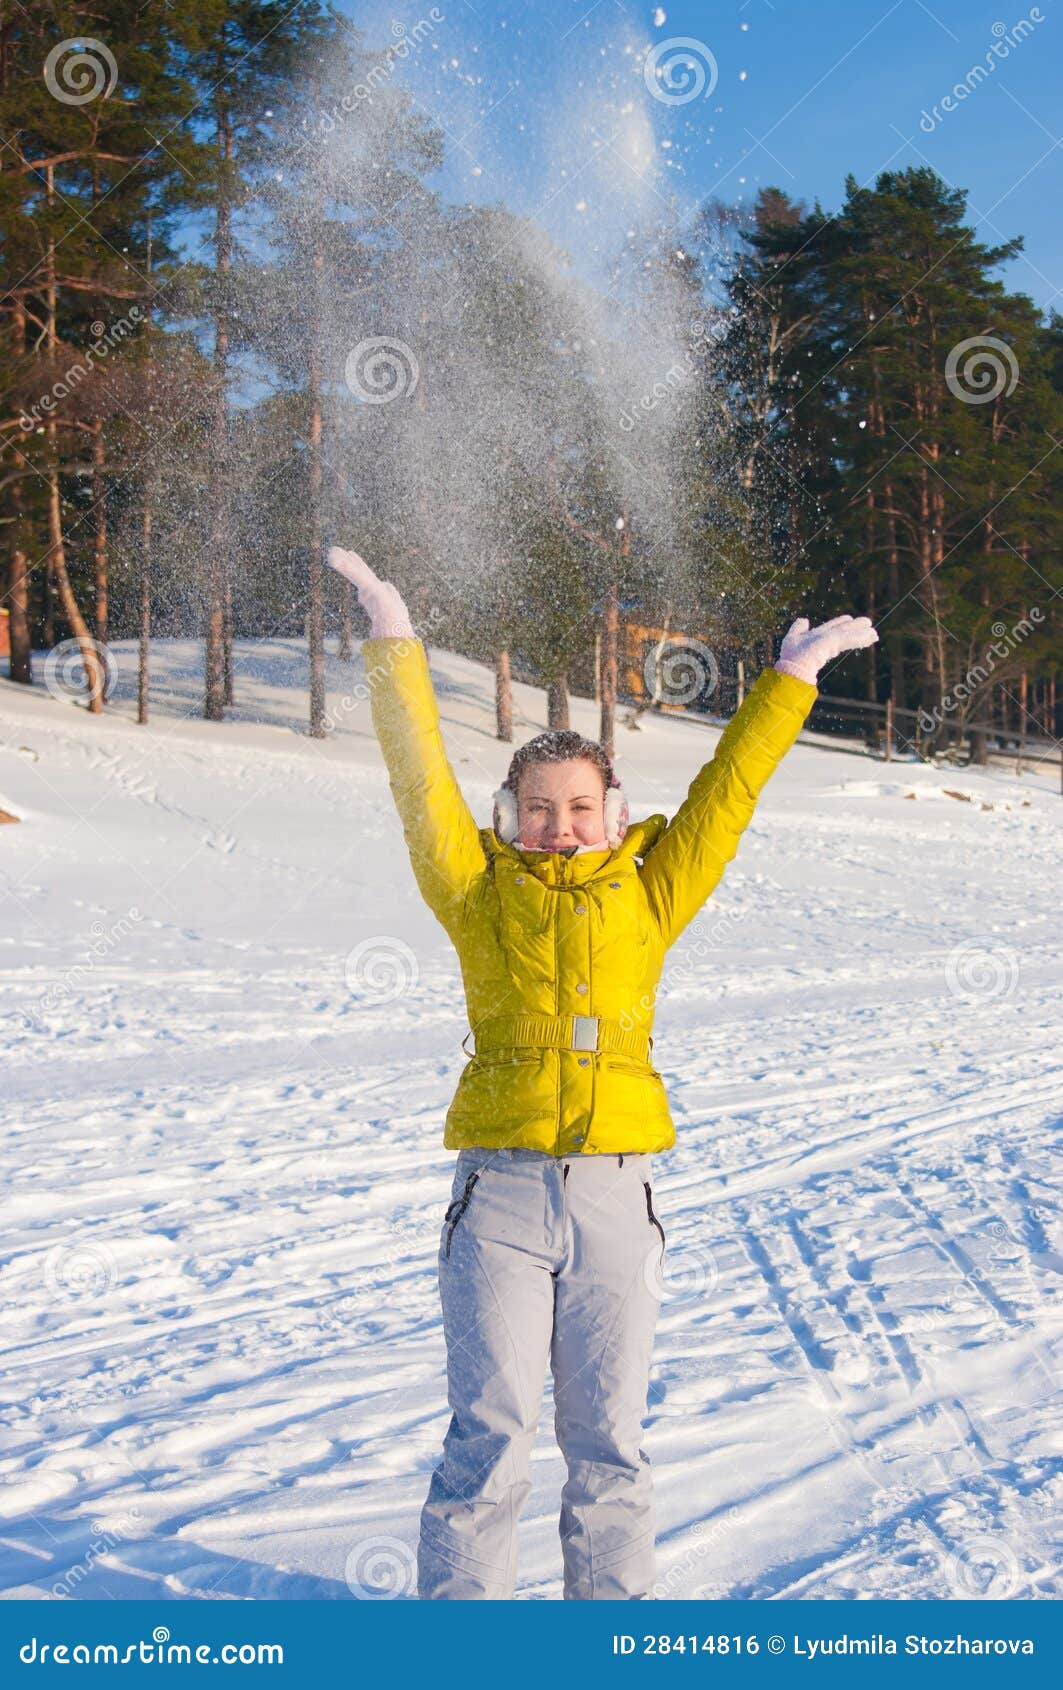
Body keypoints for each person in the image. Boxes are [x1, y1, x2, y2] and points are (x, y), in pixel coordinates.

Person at [327, 545, 878, 1600]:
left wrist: (788, 684)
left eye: (580, 807)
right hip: (498, 1197)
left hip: (617, 1196)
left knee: (610, 1448)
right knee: (487, 1440)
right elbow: (417, 780)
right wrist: (393, 641)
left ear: (613, 815)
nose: (560, 825)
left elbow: (725, 798)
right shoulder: (476, 892)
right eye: (538, 807)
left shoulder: (649, 896)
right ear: (509, 817)